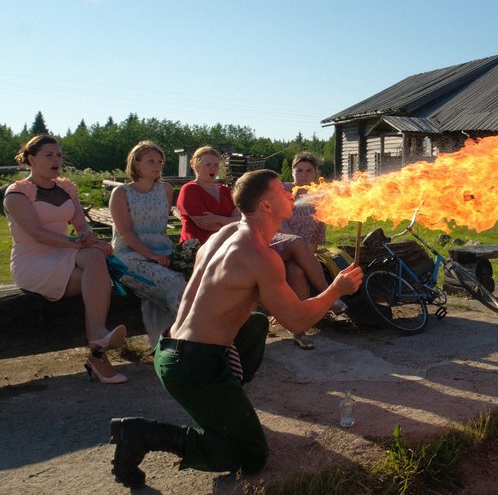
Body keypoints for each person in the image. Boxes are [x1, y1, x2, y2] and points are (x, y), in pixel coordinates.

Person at [108, 169, 363, 488]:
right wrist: (335, 290)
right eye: (281, 192)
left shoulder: (224, 235)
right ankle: (141, 434)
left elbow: (233, 295)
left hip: (172, 349)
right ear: (266, 206)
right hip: (193, 367)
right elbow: (297, 321)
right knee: (250, 455)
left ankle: (229, 396)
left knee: (255, 323)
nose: (291, 194)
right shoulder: (259, 255)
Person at [4, 135, 127, 384]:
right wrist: (78, 243)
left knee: (95, 262)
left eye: (59, 155)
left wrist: (91, 239)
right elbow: (38, 234)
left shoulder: (67, 188)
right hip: (32, 261)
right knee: (97, 280)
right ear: (31, 159)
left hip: (65, 255)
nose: (56, 160)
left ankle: (97, 342)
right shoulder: (16, 194)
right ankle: (98, 352)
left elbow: (81, 225)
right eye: (49, 155)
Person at [109, 141, 187, 346]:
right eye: (150, 160)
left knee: (200, 279)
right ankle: (187, 341)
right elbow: (125, 233)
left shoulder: (166, 189)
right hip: (130, 256)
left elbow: (170, 214)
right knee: (175, 284)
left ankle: (211, 334)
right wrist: (150, 255)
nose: (157, 165)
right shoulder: (121, 193)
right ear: (136, 163)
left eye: (160, 161)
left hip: (164, 251)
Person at [270, 152, 346, 350]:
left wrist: (307, 252)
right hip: (276, 246)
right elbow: (277, 222)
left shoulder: (320, 198)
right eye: (299, 170)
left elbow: (317, 235)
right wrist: (298, 243)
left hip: (300, 254)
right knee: (297, 243)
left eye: (308, 171)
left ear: (315, 173)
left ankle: (299, 331)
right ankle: (329, 295)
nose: (303, 175)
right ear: (292, 171)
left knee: (297, 271)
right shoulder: (283, 190)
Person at [176, 146, 239, 245]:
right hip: (197, 245)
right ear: (196, 167)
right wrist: (231, 223)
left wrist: (217, 218)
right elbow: (205, 225)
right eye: (208, 164)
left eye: (216, 164)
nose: (213, 168)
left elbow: (240, 219)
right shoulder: (189, 190)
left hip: (226, 244)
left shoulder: (226, 191)